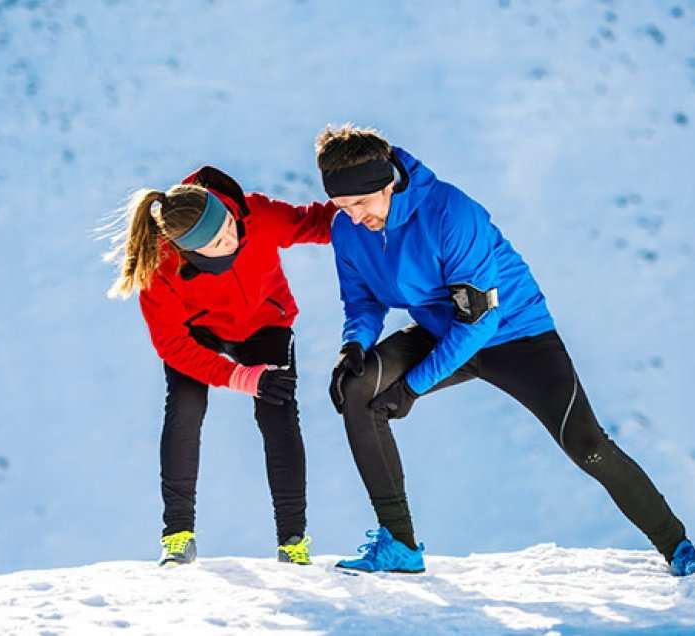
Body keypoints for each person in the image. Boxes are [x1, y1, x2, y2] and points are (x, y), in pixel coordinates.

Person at [316, 124, 694, 576]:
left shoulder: (451, 213)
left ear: (388, 183)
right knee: (357, 388)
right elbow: (362, 299)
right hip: (441, 330)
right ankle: (399, 544)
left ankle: (678, 547)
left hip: (515, 334)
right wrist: (353, 345)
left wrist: (413, 386)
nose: (353, 216)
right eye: (342, 206)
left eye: (360, 203)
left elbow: (478, 322)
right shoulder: (347, 229)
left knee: (587, 444)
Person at [104, 165, 336, 567]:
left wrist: (367, 209)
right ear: (187, 250)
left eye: (227, 224)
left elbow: (312, 222)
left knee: (278, 413)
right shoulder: (160, 265)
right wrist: (239, 377)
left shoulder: (254, 215)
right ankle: (178, 536)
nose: (232, 237)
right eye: (216, 241)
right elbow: (172, 344)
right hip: (200, 334)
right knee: (184, 410)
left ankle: (293, 541)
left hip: (266, 322)